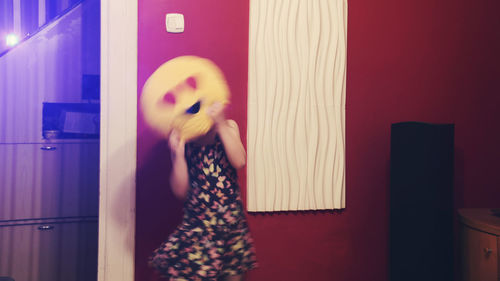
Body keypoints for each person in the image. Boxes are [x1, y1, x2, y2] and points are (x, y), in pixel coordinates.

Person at [149, 102, 257, 281]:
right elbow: (180, 191)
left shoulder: (228, 127)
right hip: (200, 227)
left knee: (232, 275)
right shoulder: (186, 138)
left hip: (231, 226)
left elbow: (239, 161)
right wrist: (179, 155)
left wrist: (220, 124)